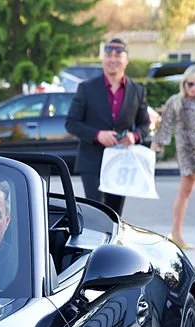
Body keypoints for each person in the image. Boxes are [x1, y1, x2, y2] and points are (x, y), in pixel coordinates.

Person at [65, 37, 152, 216]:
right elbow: (71, 123)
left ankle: (112, 245)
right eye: (109, 55)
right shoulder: (86, 88)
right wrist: (97, 135)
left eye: (118, 55)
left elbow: (145, 124)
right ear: (103, 59)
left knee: (114, 214)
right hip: (92, 161)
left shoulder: (137, 91)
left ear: (126, 60)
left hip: (121, 163)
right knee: (95, 213)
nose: (113, 59)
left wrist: (134, 136)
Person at [151, 64, 195, 249]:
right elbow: (165, 125)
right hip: (188, 151)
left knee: (185, 192)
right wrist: (154, 147)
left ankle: (176, 233)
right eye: (190, 84)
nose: (193, 88)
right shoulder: (176, 101)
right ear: (184, 83)